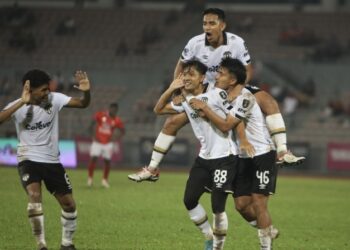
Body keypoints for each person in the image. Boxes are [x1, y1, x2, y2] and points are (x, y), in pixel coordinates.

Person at [128, 7, 302, 182]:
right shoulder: (194, 43)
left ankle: (282, 151)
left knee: (269, 101)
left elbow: (248, 69)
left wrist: (239, 89)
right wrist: (179, 91)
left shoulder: (237, 42)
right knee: (171, 122)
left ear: (222, 25)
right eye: (204, 23)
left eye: (212, 23)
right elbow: (180, 67)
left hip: (231, 87)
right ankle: (152, 169)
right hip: (205, 90)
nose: (207, 27)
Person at [189, 58, 299, 249]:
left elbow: (226, 124)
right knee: (241, 205)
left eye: (221, 73)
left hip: (262, 154)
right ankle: (267, 229)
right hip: (242, 157)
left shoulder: (246, 98)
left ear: (232, 80)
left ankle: (266, 246)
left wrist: (205, 108)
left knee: (258, 202)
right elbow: (234, 122)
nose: (217, 75)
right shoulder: (223, 96)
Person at [0, 69, 91, 250]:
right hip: (28, 158)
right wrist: (21, 103)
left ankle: (67, 244)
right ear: (29, 89)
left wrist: (86, 92)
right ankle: (41, 245)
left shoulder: (54, 99)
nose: (46, 92)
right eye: (42, 90)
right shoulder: (17, 106)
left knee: (69, 204)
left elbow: (83, 104)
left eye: (47, 89)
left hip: (52, 161)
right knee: (34, 196)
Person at [154, 60, 240, 250]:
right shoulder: (185, 101)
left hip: (225, 157)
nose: (186, 77)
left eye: (191, 74)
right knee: (189, 200)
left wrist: (205, 109)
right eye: (184, 74)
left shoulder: (218, 94)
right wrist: (171, 89)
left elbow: (231, 122)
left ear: (202, 78)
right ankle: (208, 236)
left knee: (218, 206)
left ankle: (218, 247)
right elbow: (158, 110)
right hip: (204, 158)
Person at [87, 103, 125, 188]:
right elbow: (92, 124)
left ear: (116, 111)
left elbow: (123, 130)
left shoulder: (117, 120)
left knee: (107, 161)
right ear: (109, 108)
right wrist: (92, 136)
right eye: (112, 109)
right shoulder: (101, 115)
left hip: (108, 143)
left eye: (115, 110)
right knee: (93, 159)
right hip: (97, 142)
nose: (113, 111)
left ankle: (104, 180)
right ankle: (90, 179)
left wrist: (115, 138)